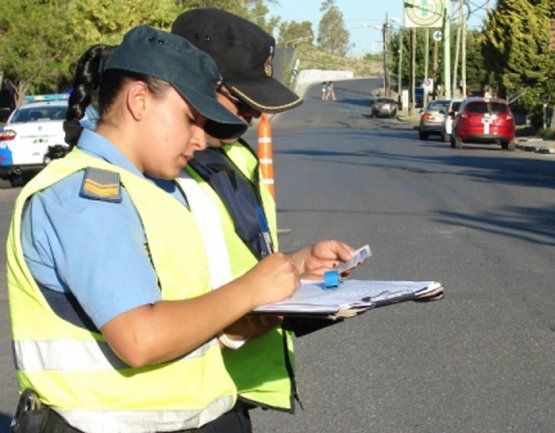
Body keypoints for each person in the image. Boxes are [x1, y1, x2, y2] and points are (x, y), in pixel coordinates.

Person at [6, 25, 336, 433]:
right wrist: (252, 289)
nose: (201, 139)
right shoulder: (87, 195)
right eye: (190, 119)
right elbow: (140, 339)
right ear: (139, 101)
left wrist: (260, 307)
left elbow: (189, 316)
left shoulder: (156, 191)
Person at [171, 8, 351, 414]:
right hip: (180, 400)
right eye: (242, 101)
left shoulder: (237, 156)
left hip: (229, 394)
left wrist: (298, 264)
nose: (255, 116)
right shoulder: (153, 171)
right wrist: (233, 325)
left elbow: (240, 256)